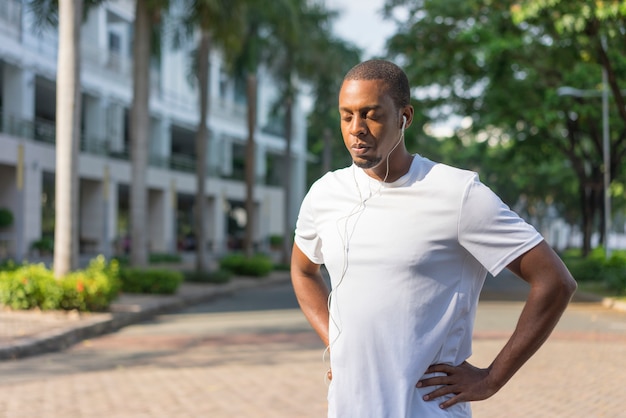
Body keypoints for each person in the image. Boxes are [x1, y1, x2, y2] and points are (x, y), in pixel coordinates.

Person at [290, 59, 577, 417]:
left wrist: (491, 378)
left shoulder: (458, 194)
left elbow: (554, 281)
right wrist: (338, 344)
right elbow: (303, 271)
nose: (356, 129)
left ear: (405, 116)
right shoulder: (325, 193)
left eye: (371, 114)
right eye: (347, 116)